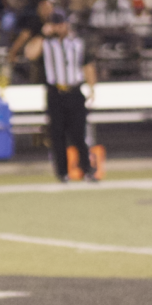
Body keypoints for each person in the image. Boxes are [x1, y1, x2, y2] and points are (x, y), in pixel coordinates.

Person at [27, 12, 97, 182]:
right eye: (55, 24)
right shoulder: (46, 43)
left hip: (74, 91)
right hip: (55, 93)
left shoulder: (77, 42)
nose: (58, 27)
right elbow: (30, 54)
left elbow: (87, 65)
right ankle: (62, 173)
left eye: (60, 23)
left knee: (79, 134)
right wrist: (43, 34)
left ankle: (86, 170)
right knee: (57, 135)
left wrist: (92, 88)